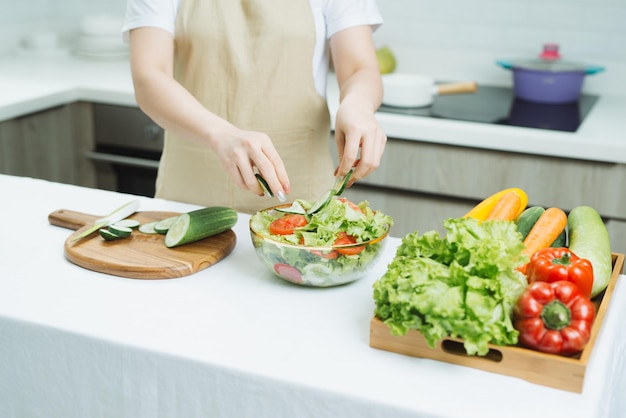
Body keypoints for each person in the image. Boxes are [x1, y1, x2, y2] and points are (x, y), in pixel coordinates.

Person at [123, 0, 387, 214]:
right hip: (187, 196)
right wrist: (220, 134)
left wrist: (358, 104)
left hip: (300, 201)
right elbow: (150, 77)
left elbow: (359, 69)